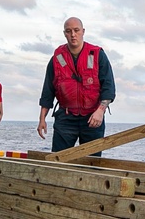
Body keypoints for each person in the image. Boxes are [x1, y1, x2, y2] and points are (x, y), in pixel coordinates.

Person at [37, 17, 115, 155]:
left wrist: (100, 111)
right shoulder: (57, 58)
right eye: (69, 31)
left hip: (93, 118)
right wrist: (42, 119)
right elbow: (48, 91)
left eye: (76, 30)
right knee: (59, 162)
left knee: (92, 164)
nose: (73, 34)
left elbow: (109, 87)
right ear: (64, 33)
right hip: (66, 118)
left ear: (83, 31)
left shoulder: (97, 55)